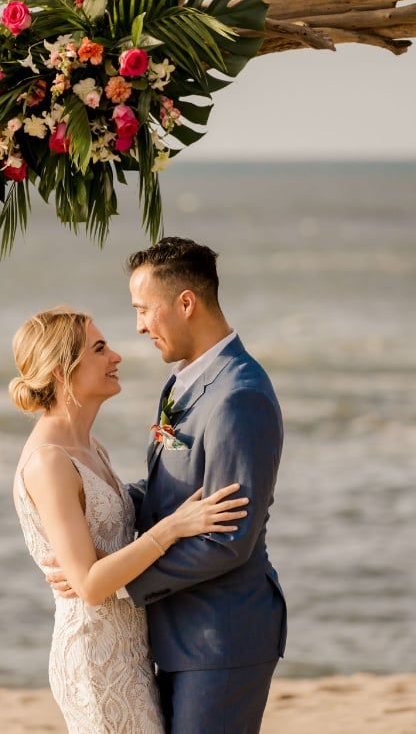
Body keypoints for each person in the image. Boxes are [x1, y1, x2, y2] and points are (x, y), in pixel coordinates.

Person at [50, 237, 287, 733]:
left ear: (185, 303)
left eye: (144, 310)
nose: (138, 327)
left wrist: (110, 586)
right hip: (177, 633)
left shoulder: (238, 397)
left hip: (220, 636)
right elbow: (169, 490)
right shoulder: (182, 381)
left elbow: (227, 541)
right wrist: (96, 512)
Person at [9, 305, 250, 734]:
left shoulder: (90, 447)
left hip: (130, 651)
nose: (115, 356)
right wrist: (173, 527)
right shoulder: (49, 462)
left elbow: (108, 541)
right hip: (96, 661)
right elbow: (89, 585)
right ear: (63, 371)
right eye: (99, 349)